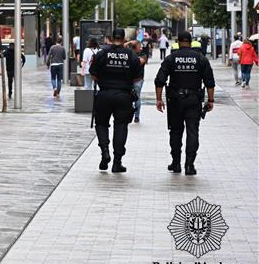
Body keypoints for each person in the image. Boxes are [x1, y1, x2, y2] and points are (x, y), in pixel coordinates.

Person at [154, 31, 215, 175]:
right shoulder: (201, 59)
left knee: (175, 131)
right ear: (191, 41)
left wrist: (158, 99)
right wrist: (210, 100)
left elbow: (159, 80)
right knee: (192, 131)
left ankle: (176, 163)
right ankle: (189, 165)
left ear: (178, 41)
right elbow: (210, 82)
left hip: (175, 100)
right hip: (194, 100)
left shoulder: (171, 58)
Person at [89, 28, 142, 173]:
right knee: (121, 126)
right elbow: (138, 78)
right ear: (124, 39)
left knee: (101, 123)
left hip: (104, 94)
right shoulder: (131, 55)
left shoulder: (102, 53)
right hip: (123, 96)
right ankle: (117, 162)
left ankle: (105, 151)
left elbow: (93, 75)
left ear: (111, 38)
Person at [128, 40, 148, 123]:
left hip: (137, 80)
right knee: (127, 98)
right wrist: (129, 42)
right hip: (129, 80)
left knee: (137, 98)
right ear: (135, 47)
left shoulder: (142, 55)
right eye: (139, 46)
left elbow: (140, 62)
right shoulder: (130, 54)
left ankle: (136, 116)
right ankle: (129, 115)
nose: (141, 48)